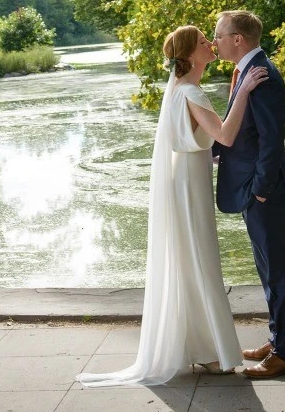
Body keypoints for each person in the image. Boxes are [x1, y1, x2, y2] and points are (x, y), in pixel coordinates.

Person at [77, 25, 268, 387]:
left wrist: (212, 154)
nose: (210, 44)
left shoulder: (180, 90)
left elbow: (195, 141)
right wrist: (243, 91)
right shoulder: (192, 91)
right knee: (200, 257)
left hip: (185, 180)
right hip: (188, 188)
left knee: (191, 258)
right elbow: (225, 135)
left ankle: (204, 349)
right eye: (202, 42)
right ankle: (211, 352)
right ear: (190, 54)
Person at [212, 10, 285, 379]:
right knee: (268, 269)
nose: (214, 41)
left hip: (264, 191)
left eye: (218, 35)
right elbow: (246, 133)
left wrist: (262, 191)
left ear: (238, 39)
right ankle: (278, 338)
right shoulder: (248, 72)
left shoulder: (262, 76)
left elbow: (271, 138)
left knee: (279, 271)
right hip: (255, 188)